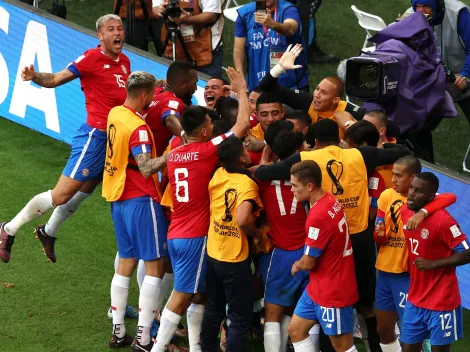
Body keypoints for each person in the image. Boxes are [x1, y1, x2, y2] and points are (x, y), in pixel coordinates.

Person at [255, 119, 412, 352]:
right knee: (365, 305)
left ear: (315, 142)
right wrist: (380, 146)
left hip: (330, 242)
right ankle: (375, 347)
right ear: (339, 137)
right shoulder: (360, 155)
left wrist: (264, 158)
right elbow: (403, 152)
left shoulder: (308, 162)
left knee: (330, 304)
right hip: (359, 239)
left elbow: (268, 172)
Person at [0, 14, 129, 264]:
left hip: (114, 138)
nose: (118, 33)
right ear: (100, 36)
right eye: (111, 29)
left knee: (86, 189)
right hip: (94, 136)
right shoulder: (91, 58)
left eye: (120, 29)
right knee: (60, 195)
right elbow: (56, 79)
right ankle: (8, 229)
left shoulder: (124, 62)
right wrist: (35, 77)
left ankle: (48, 231)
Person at [151, 67, 251, 352]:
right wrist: (241, 89)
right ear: (205, 130)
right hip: (196, 236)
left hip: (176, 232)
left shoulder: (174, 155)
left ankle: (195, 346)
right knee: (184, 296)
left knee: (197, 294)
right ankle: (157, 348)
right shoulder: (207, 151)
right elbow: (242, 125)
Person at [102, 71, 169, 351]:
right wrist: (172, 156)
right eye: (152, 93)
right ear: (144, 96)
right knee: (154, 268)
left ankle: (118, 330)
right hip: (142, 201)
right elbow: (144, 167)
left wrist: (158, 85)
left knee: (126, 264)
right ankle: (143, 337)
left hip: (117, 198)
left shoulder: (115, 113)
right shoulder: (138, 129)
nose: (154, 97)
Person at [374, 157, 456, 352]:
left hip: (407, 274)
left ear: (413, 178)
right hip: (385, 270)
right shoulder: (387, 196)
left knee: (414, 334)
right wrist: (379, 235)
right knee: (384, 329)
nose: (393, 180)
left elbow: (450, 197)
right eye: (392, 174)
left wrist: (423, 212)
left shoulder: (419, 200)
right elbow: (379, 232)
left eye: (398, 176)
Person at [288, 160, 359, 352]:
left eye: (295, 186)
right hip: (317, 287)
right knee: (296, 330)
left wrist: (297, 265)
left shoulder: (318, 215)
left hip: (332, 292)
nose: (292, 190)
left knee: (342, 346)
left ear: (309, 186)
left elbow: (309, 262)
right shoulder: (330, 200)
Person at [200, 137, 264, 352]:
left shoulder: (218, 174)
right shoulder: (247, 185)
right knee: (238, 318)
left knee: (214, 308)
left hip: (213, 251)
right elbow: (244, 218)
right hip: (234, 258)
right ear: (241, 157)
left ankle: (207, 348)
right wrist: (256, 235)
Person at [400, 172, 470, 352]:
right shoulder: (405, 211)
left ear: (431, 197)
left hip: (441, 301)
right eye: (411, 189)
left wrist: (433, 264)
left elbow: (467, 253)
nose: (412, 194)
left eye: (419, 191)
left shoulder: (443, 221)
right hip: (415, 299)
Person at [256, 129, 311, 352]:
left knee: (272, 313)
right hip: (308, 251)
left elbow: (260, 171)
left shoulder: (262, 178)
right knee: (302, 310)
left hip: (281, 253)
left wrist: (264, 156)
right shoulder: (308, 179)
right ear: (297, 152)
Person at [259, 45, 365, 138]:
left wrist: (349, 124)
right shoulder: (307, 101)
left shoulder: (351, 111)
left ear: (336, 100)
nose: (316, 95)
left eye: (324, 92)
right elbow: (267, 87)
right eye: (317, 89)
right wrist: (280, 67)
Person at [412, 0, 470, 126]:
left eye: (426, 6)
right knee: (419, 126)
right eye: (417, 6)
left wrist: (466, 73)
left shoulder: (459, 13)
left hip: (462, 79)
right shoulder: (412, 15)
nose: (421, 11)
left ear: (437, 5)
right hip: (432, 80)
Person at [234, 0, 309, 91]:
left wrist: (272, 24)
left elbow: (290, 29)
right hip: (257, 85)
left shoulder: (288, 10)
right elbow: (238, 49)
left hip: (290, 86)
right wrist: (240, 76)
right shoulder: (245, 14)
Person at [152, 0, 224, 76]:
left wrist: (187, 20)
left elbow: (211, 15)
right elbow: (154, 8)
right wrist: (159, 9)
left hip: (204, 49)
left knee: (207, 84)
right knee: (172, 83)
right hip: (173, 45)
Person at [145, 61, 197, 157]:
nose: (196, 88)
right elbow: (170, 119)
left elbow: (187, 107)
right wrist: (185, 136)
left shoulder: (156, 91)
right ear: (181, 85)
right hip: (142, 165)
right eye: (194, 83)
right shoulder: (172, 102)